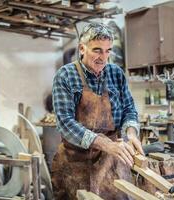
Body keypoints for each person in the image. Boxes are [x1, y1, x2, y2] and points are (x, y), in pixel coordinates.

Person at [51, 22, 144, 200]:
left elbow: (129, 109)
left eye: (108, 50)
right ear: (82, 48)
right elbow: (65, 122)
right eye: (97, 50)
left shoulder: (116, 74)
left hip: (111, 160)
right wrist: (105, 143)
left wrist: (131, 133)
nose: (104, 57)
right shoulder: (65, 76)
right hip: (75, 162)